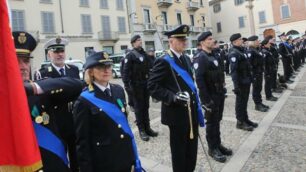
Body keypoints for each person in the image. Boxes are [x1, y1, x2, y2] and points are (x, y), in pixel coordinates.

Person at [13, 31, 83, 172]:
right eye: (16, 60)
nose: (23, 67)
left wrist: (33, 87)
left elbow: (77, 85)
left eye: (26, 61)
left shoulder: (39, 90)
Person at [73, 51, 143, 172]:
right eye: (101, 67)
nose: (106, 70)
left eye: (109, 66)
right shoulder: (83, 100)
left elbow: (123, 125)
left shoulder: (118, 90)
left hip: (124, 156)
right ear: (91, 72)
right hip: (104, 162)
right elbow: (82, 142)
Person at [148, 25, 205, 172]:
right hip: (176, 114)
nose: (184, 42)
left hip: (190, 111)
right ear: (171, 41)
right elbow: (152, 86)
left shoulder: (186, 58)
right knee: (179, 153)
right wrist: (172, 97)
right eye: (180, 39)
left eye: (185, 39)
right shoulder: (164, 61)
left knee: (192, 151)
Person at [34, 36, 80, 172]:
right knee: (59, 158)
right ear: (49, 54)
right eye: (56, 51)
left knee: (76, 155)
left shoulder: (74, 70)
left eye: (62, 51)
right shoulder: (42, 73)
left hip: (74, 120)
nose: (60, 54)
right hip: (56, 121)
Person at [194, 31, 232, 163]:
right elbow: (200, 81)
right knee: (211, 123)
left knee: (217, 121)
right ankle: (212, 148)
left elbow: (219, 74)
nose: (212, 40)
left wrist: (223, 88)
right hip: (210, 96)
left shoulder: (213, 55)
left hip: (218, 93)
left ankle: (218, 144)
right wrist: (206, 101)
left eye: (212, 38)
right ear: (203, 42)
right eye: (209, 39)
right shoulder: (201, 57)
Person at [122, 35, 158, 141]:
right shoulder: (130, 55)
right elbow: (125, 73)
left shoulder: (144, 54)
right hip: (135, 86)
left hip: (145, 84)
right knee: (138, 109)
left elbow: (151, 67)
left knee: (146, 107)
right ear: (133, 43)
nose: (140, 41)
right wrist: (128, 88)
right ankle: (141, 130)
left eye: (140, 40)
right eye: (138, 40)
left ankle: (148, 128)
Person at [229, 33, 258, 131]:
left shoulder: (241, 51)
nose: (242, 40)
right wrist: (236, 86)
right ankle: (240, 122)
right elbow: (234, 71)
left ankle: (245, 119)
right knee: (240, 103)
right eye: (240, 39)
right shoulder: (234, 53)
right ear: (235, 42)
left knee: (244, 102)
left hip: (246, 80)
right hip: (241, 82)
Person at [246, 35, 269, 111]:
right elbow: (249, 64)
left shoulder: (256, 49)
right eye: (257, 40)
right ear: (253, 42)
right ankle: (257, 105)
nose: (258, 41)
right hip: (255, 74)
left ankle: (260, 102)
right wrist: (252, 74)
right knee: (256, 89)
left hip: (259, 72)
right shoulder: (250, 51)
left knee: (259, 89)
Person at [261, 37, 278, 101]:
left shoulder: (267, 50)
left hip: (270, 69)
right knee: (267, 84)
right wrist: (266, 72)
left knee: (269, 83)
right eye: (268, 43)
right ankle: (268, 96)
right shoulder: (264, 52)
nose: (269, 44)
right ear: (265, 45)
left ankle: (270, 95)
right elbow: (264, 63)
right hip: (267, 71)